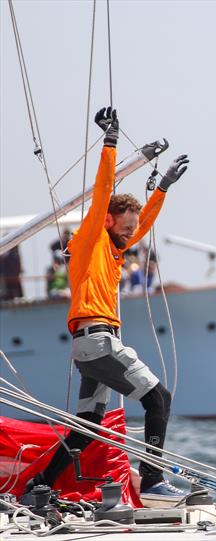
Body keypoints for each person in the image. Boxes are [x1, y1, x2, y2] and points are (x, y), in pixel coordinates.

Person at [24, 107, 190, 506]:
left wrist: (162, 188)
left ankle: (39, 489)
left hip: (92, 347)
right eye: (126, 225)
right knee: (158, 399)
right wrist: (111, 142)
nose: (133, 233)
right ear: (109, 221)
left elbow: (144, 224)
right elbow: (102, 193)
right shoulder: (91, 240)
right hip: (97, 341)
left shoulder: (115, 251)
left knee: (85, 427)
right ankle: (151, 481)